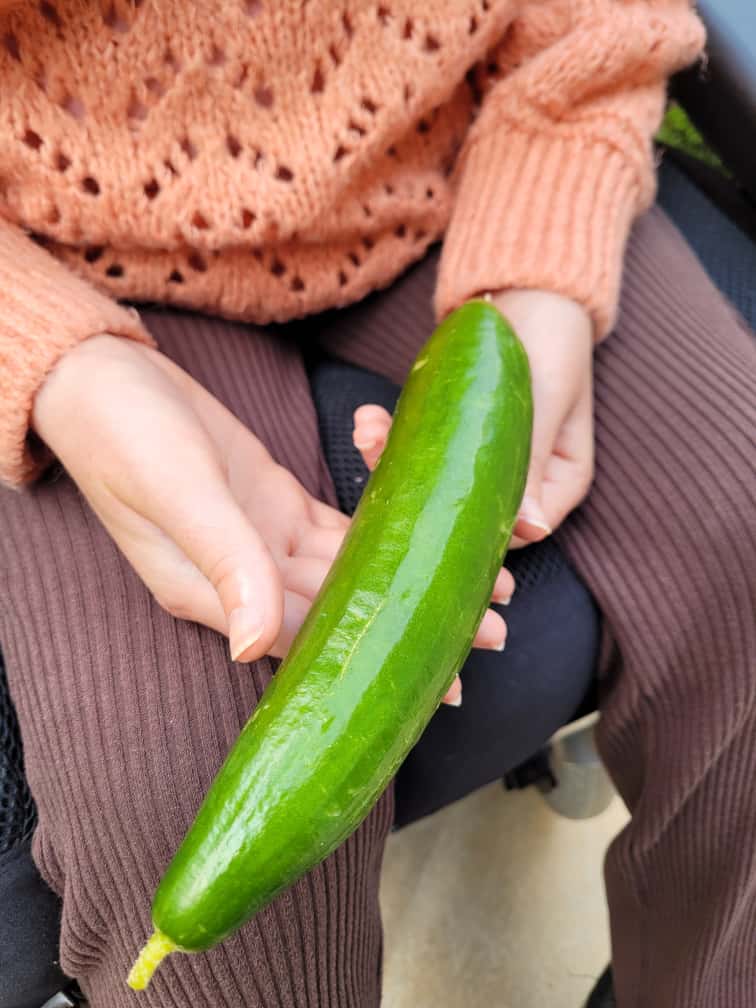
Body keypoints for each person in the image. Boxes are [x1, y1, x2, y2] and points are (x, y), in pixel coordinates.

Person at [0, 1, 754, 1006]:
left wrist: (544, 256)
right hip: (58, 269)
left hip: (477, 155)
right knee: (173, 793)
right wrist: (51, 359)